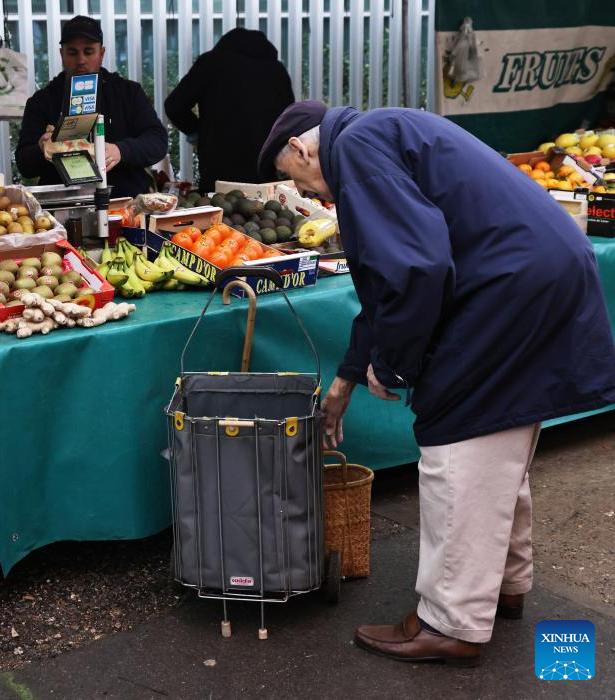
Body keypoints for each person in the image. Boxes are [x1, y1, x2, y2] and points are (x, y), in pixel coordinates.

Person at [257, 100, 615, 667]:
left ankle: (451, 622)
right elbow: (384, 279)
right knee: (501, 425)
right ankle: (504, 584)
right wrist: (350, 373)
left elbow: (415, 268)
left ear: (301, 150)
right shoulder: (379, 131)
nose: (304, 191)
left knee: (458, 435)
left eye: (290, 175)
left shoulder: (355, 149)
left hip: (510, 284)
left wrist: (395, 366)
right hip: (540, 270)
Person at [15, 15, 168, 198]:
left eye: (88, 52)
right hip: (63, 207)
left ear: (101, 53)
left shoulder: (128, 93)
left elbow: (158, 141)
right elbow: (24, 163)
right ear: (61, 54)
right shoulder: (42, 101)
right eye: (72, 52)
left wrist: (121, 150)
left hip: (124, 204)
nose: (81, 60)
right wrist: (42, 149)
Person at [165, 27, 294, 193]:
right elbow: (288, 119)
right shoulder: (277, 70)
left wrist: (198, 133)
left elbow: (174, 105)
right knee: (266, 214)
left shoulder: (210, 63)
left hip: (218, 166)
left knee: (217, 215)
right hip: (264, 167)